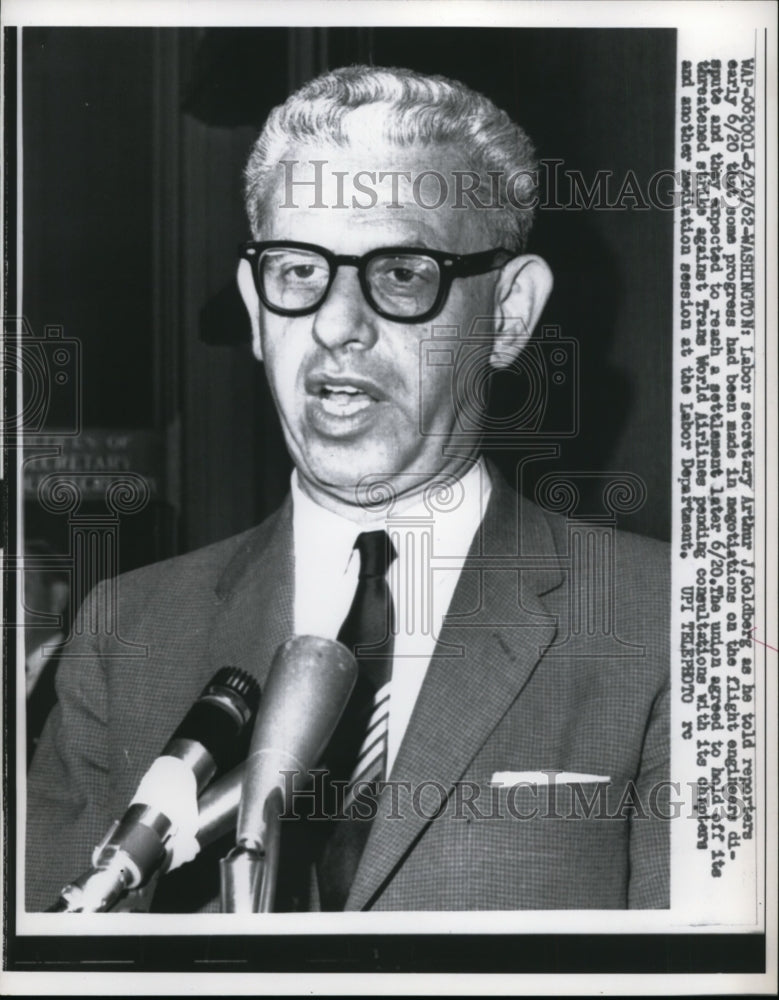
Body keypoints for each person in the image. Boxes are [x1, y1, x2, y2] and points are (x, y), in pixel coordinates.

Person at [26, 65, 669, 912]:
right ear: (256, 308)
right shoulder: (124, 631)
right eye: (297, 271)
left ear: (508, 313)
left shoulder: (667, 622)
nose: (334, 324)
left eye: (402, 273)